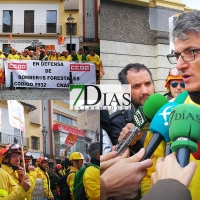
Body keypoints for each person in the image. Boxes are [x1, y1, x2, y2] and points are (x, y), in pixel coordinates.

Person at [109, 63, 166, 198]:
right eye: (136, 86)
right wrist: (129, 143)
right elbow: (116, 169)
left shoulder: (169, 112)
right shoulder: (117, 121)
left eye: (148, 83)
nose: (145, 91)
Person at [166, 10, 200, 200]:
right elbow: (150, 173)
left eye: (190, 52)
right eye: (178, 55)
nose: (179, 65)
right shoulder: (170, 110)